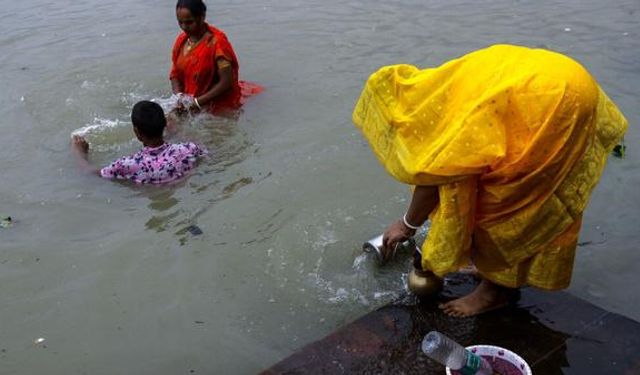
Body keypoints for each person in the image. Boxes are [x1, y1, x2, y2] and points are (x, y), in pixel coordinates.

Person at [352, 44, 628, 317]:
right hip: (563, 78)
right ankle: (492, 268)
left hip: (556, 106)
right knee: (489, 184)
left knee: (505, 209)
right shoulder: (439, 90)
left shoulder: (455, 124)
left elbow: (435, 182)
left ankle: (495, 292)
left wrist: (407, 224)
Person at [72, 100, 207, 184]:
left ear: (137, 132)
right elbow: (204, 150)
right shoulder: (188, 149)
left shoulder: (128, 165)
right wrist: (176, 130)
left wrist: (80, 152)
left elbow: (90, 172)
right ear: (165, 124)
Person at [169, 0, 242, 114]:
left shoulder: (217, 43)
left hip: (217, 107)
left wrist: (197, 103)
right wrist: (178, 98)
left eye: (189, 22)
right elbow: (175, 75)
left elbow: (227, 81)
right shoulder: (181, 41)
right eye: (180, 22)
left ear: (202, 17)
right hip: (190, 103)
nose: (184, 27)